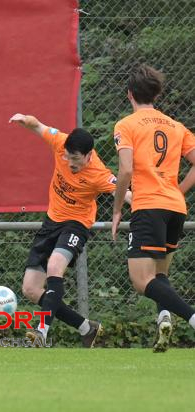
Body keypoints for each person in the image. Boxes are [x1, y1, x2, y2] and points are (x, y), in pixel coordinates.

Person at [9, 113, 131, 347]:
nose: (70, 162)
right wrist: (24, 119)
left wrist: (151, 211)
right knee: (31, 289)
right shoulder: (60, 143)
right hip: (51, 222)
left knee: (55, 266)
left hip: (76, 225)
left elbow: (126, 194)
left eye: (75, 158)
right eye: (68, 156)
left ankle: (41, 331)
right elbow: (38, 125)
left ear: (88, 155)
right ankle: (87, 328)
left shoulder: (99, 174)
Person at [112, 64, 195, 352]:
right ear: (156, 95)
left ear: (130, 94)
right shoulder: (176, 126)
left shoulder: (126, 125)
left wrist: (116, 210)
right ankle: (163, 318)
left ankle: (192, 318)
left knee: (140, 280)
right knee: (159, 275)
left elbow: (124, 171)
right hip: (175, 208)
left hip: (148, 207)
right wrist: (176, 191)